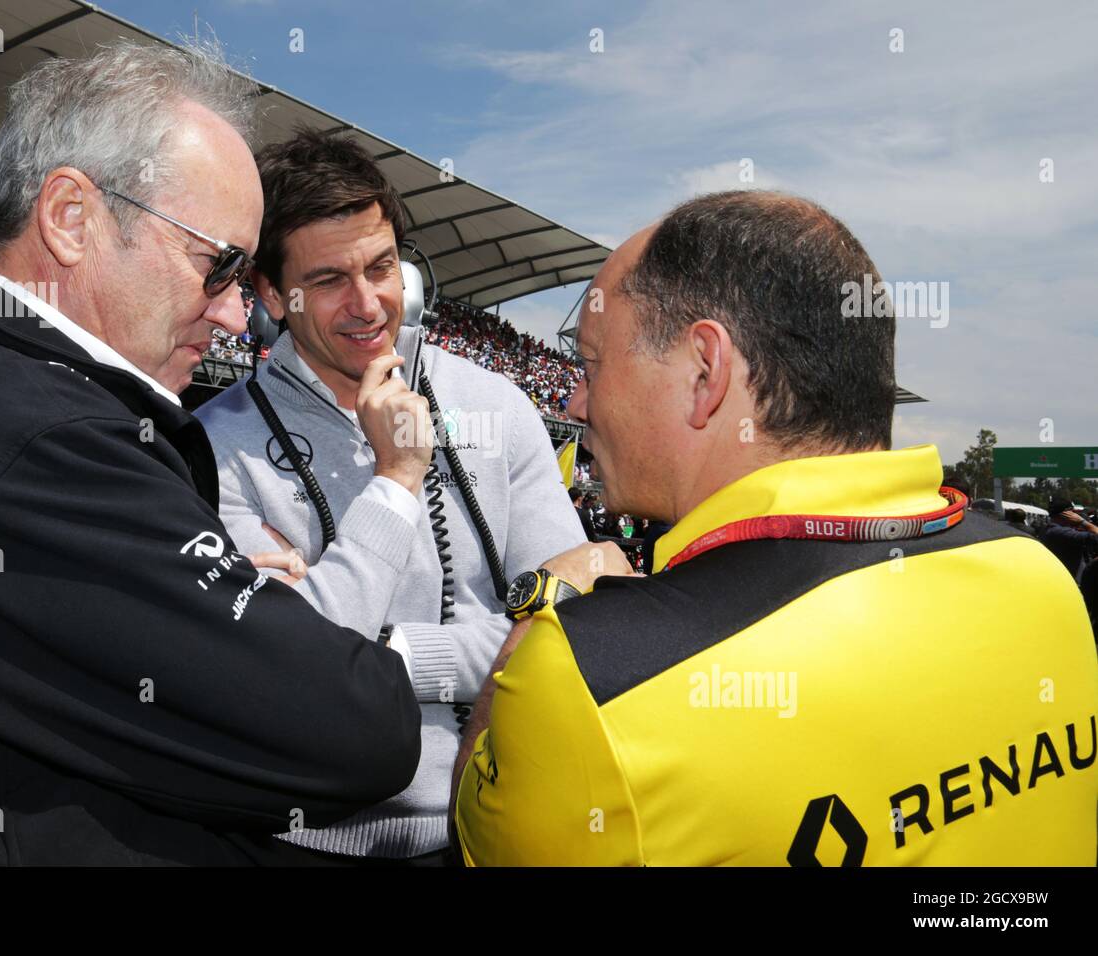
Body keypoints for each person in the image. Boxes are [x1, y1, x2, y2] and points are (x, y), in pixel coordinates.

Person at [0, 40, 424, 866]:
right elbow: (362, 729)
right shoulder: (27, 431)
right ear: (70, 218)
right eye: (220, 266)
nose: (239, 315)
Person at [452, 190, 1098, 866]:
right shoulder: (1041, 576)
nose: (576, 401)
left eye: (591, 364)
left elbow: (473, 838)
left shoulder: (588, 680)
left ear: (706, 372)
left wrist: (534, 623)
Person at [195, 130, 587, 863]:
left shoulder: (495, 405)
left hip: (488, 828)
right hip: (291, 841)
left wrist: (388, 648)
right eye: (331, 279)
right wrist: (398, 476)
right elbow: (280, 674)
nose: (369, 303)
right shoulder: (212, 446)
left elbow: (568, 632)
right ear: (276, 295)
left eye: (381, 267)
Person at [1039, 496, 1098, 581]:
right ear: (1067, 514)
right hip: (1074, 582)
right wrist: (1083, 522)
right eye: (1073, 512)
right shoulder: (1061, 532)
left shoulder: (1048, 529)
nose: (1076, 515)